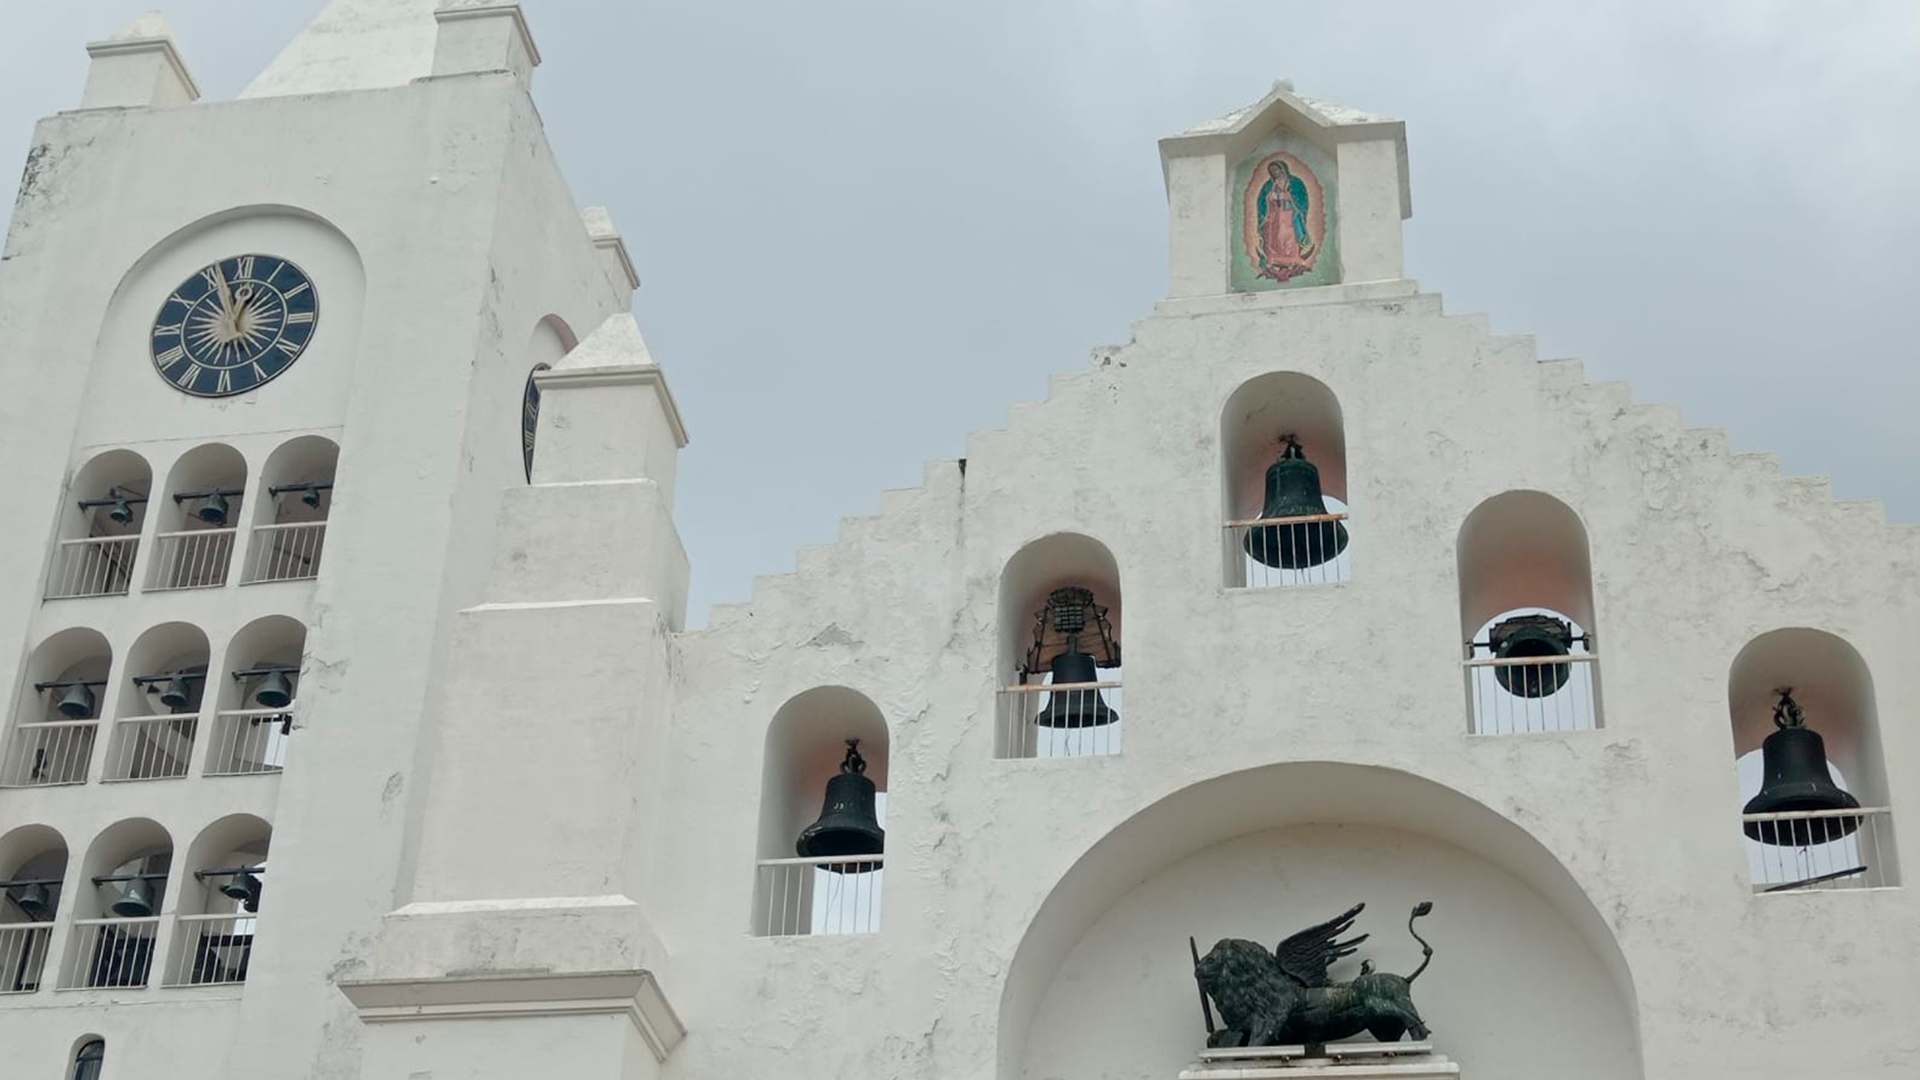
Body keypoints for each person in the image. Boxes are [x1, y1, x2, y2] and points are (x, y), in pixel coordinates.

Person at [1256, 160, 1316, 279]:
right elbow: (1262, 201)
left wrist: (1288, 196)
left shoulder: (1295, 183)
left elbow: (1301, 199)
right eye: (1271, 171)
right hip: (1273, 215)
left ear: (1282, 169)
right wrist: (1270, 197)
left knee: (1287, 236)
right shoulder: (1268, 185)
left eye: (1276, 170)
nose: (1274, 172)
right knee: (1274, 237)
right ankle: (1274, 259)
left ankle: (1291, 259)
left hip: (1289, 215)